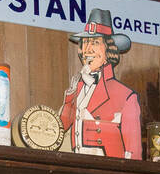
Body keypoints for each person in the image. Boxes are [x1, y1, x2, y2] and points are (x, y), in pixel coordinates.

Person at [59, 9, 142, 159]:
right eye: (85, 43)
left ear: (108, 49)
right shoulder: (76, 88)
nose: (87, 50)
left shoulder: (125, 96)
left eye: (95, 43)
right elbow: (60, 128)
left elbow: (133, 153)